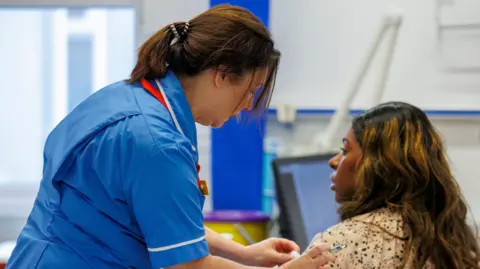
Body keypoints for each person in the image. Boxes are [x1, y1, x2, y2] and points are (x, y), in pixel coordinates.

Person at [6, 4, 335, 269]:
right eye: (249, 91)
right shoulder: (157, 143)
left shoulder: (128, 98)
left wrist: (244, 253)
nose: (247, 105)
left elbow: (166, 220)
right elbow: (189, 265)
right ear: (220, 75)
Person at [307, 101, 480, 268]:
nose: (333, 161)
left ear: (375, 166)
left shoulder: (334, 246)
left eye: (345, 151)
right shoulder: (452, 238)